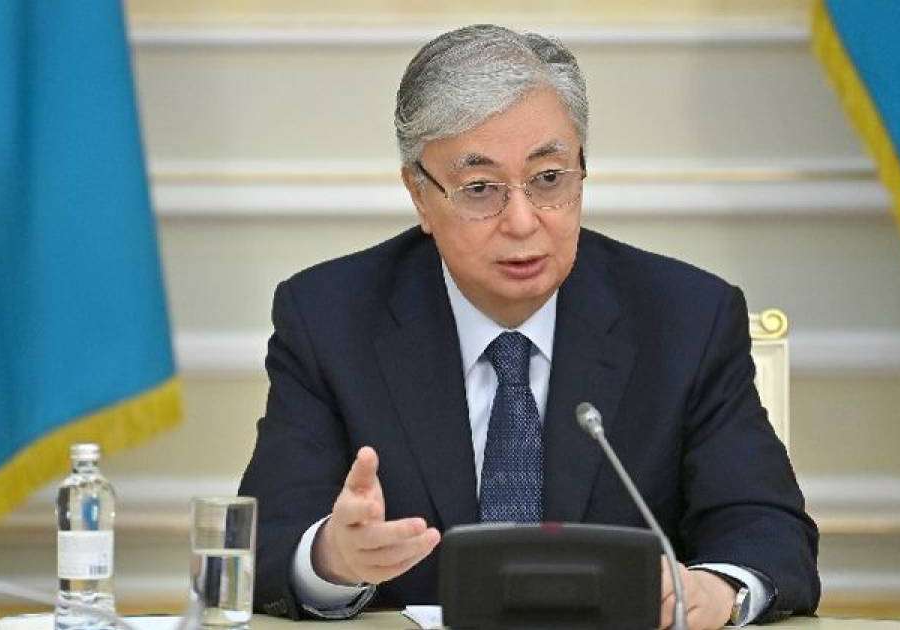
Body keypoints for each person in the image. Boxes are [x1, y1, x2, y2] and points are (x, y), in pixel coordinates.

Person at [239, 24, 819, 628]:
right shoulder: (330, 318)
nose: (521, 222)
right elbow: (268, 541)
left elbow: (768, 530)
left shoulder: (686, 318)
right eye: (480, 188)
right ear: (419, 194)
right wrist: (332, 558)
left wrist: (716, 590)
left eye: (548, 179)